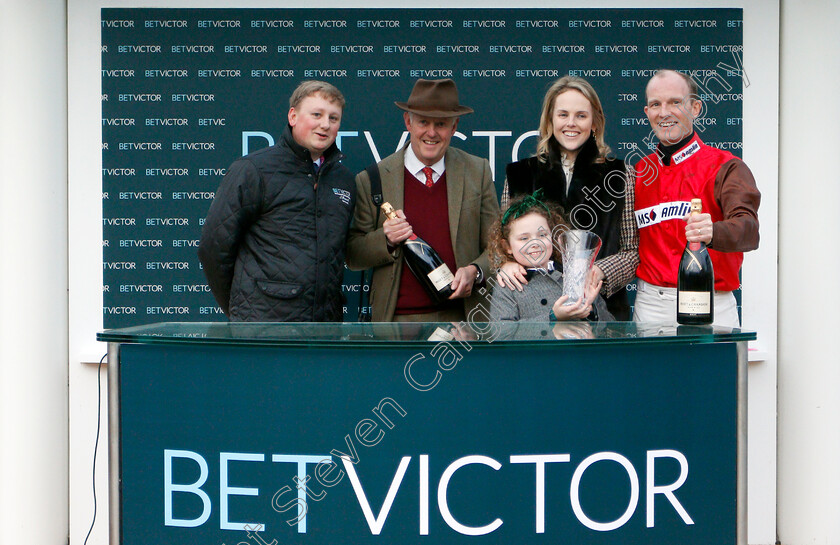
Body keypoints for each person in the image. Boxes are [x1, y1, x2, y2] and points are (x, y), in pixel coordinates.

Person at [198, 80, 356, 321]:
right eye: (316, 114)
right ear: (293, 116)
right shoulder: (253, 169)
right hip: (262, 330)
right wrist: (241, 311)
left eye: (333, 118)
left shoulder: (343, 179)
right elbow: (213, 247)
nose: (325, 124)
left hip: (325, 329)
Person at [346, 78, 499, 322]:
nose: (431, 132)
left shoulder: (477, 171)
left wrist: (477, 271)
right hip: (396, 323)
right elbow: (353, 254)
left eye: (441, 123)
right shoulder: (372, 178)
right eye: (423, 122)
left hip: (463, 322)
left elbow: (497, 246)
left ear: (454, 126)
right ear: (408, 121)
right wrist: (385, 239)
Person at [499, 76, 638, 320]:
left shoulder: (621, 174)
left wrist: (598, 272)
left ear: (595, 122)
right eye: (563, 115)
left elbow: (632, 251)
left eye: (581, 116)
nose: (571, 123)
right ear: (550, 120)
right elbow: (503, 241)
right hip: (536, 317)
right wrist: (505, 264)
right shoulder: (520, 174)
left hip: (602, 314)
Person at [633, 69, 760, 327]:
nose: (664, 112)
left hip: (709, 301)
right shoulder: (637, 172)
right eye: (656, 104)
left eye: (675, 102)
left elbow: (749, 231)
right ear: (647, 113)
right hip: (650, 305)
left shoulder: (727, 166)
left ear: (696, 107)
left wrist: (713, 231)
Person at [487, 192, 612, 322]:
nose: (535, 243)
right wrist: (553, 317)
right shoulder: (507, 285)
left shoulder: (574, 276)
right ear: (507, 246)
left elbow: (610, 327)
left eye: (542, 235)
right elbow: (503, 335)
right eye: (524, 238)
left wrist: (589, 309)